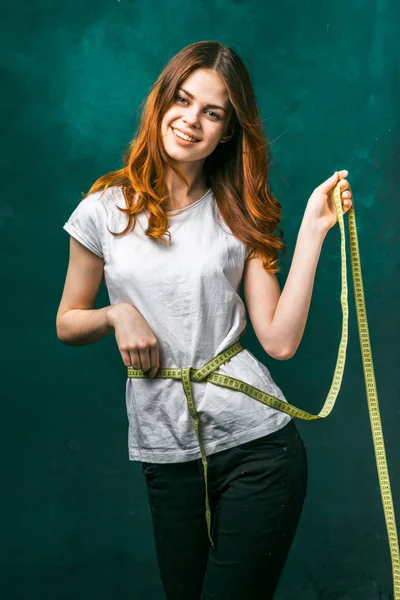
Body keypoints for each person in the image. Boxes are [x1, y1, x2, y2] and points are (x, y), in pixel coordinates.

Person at [56, 40, 353, 600]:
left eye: (212, 113)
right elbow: (67, 319)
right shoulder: (102, 209)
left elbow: (280, 341)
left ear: (228, 131)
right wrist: (116, 315)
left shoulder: (238, 213)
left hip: (257, 448)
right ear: (161, 102)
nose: (191, 121)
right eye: (183, 100)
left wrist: (314, 231)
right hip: (165, 451)